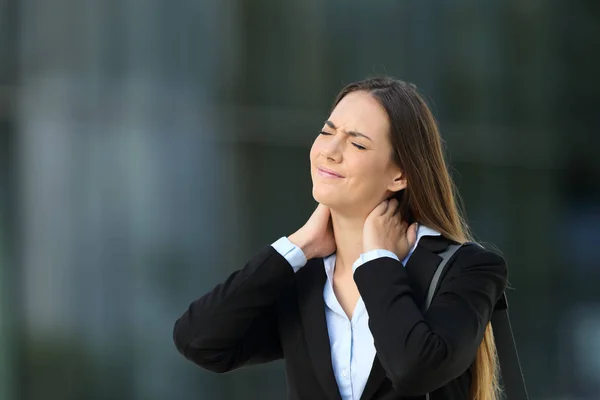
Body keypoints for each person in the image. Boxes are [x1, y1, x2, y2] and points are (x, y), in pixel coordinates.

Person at [173, 77, 508, 400]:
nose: (330, 151)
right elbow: (199, 341)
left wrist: (379, 262)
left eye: (357, 143)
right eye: (326, 132)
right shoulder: (303, 278)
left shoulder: (466, 269)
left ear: (400, 174)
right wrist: (299, 246)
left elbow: (415, 369)